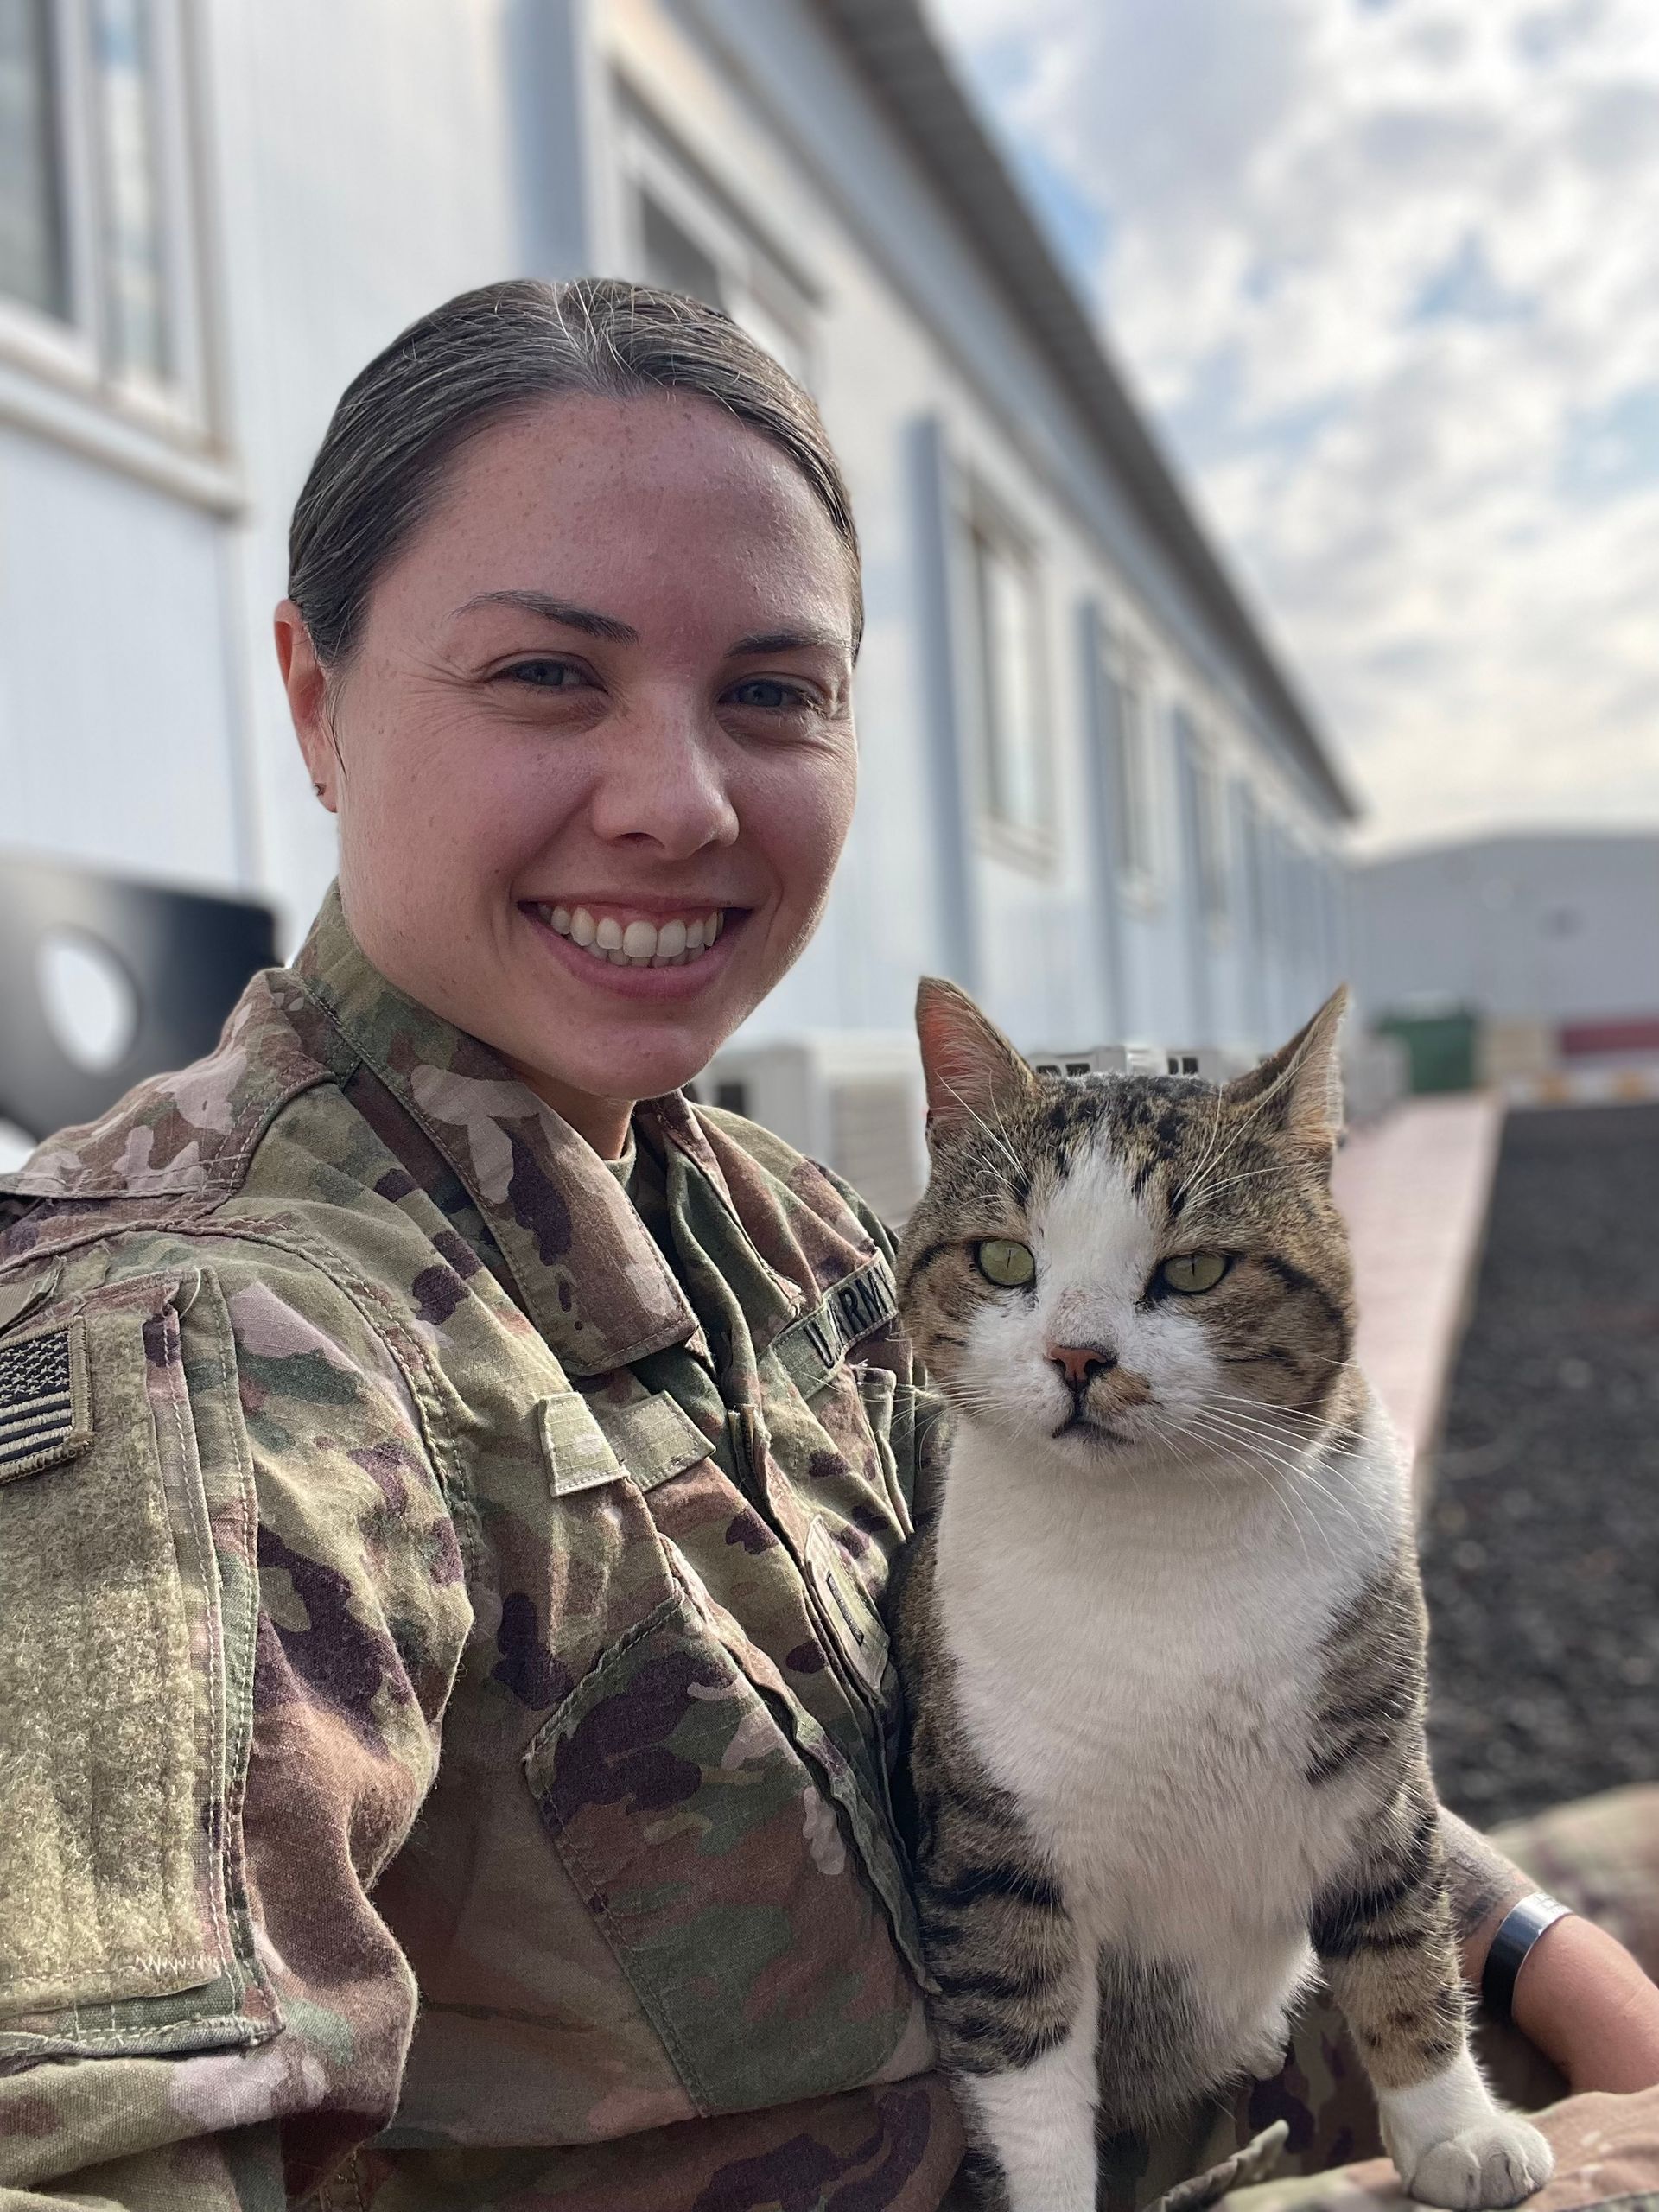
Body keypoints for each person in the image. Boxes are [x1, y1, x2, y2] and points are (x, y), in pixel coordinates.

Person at [0, 278, 1654, 2212]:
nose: (681, 800)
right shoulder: (214, 1353)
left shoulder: (780, 1222)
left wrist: (1530, 1941)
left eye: (774, 692)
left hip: (1179, 2034)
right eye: (549, 672)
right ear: (317, 701)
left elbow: (1189, 1664)